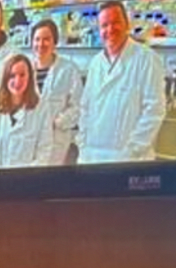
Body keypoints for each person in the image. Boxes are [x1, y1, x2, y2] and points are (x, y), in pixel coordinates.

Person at [78, 1, 166, 163]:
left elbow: (154, 110)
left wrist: (132, 151)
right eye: (104, 25)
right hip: (91, 158)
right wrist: (82, 145)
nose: (110, 29)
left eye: (115, 22)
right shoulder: (96, 63)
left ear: (127, 24)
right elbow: (85, 108)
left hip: (131, 160)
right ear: (98, 30)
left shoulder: (147, 59)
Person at [0, 54, 52, 168]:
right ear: (5, 78)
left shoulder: (41, 111)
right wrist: (1, 175)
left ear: (30, 78)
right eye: (12, 75)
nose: (17, 81)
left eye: (22, 75)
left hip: (31, 177)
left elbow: (44, 151)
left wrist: (26, 176)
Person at [30, 19, 84, 166]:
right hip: (29, 140)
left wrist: (57, 123)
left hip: (57, 140)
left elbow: (79, 106)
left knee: (54, 177)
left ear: (55, 42)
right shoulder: (25, 70)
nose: (41, 44)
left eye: (46, 39)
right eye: (37, 39)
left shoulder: (68, 70)